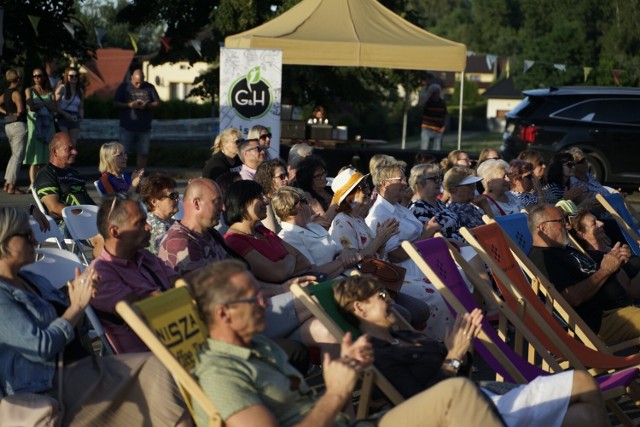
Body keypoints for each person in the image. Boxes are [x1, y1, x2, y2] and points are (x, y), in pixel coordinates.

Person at [188, 260, 508, 427]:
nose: (265, 304)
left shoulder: (262, 348)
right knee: (459, 394)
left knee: (462, 396)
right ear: (223, 314)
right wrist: (337, 393)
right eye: (254, 299)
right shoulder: (220, 373)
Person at [334, 275, 610, 427]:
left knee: (585, 415)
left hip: (485, 395)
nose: (390, 301)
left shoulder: (404, 335)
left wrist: (462, 350)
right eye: (381, 296)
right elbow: (420, 402)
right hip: (470, 414)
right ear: (359, 308)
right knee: (582, 384)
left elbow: (459, 376)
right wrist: (453, 356)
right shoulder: (377, 355)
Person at [0, 207, 189, 426]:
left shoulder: (30, 279)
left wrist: (78, 296)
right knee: (157, 374)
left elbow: (73, 327)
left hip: (74, 368)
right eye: (26, 235)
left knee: (159, 370)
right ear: (4, 241)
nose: (34, 240)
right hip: (44, 385)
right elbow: (40, 347)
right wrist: (76, 307)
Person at [365, 158, 451, 340]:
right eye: (400, 179)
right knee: (441, 294)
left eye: (404, 178)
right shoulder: (380, 214)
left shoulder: (399, 208)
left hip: (422, 262)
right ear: (385, 183)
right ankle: (437, 349)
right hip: (403, 272)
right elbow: (395, 255)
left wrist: (428, 232)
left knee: (459, 281)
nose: (405, 183)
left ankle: (463, 342)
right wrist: (426, 234)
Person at [528, 204, 640, 343]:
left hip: (624, 308)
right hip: (603, 319)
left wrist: (616, 262)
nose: (568, 226)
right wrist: (606, 269)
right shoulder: (542, 258)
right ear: (544, 228)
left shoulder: (565, 250)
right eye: (562, 222)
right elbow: (572, 297)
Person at [89, 195, 180, 353]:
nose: (149, 227)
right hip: (151, 357)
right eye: (140, 223)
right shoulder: (101, 273)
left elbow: (178, 282)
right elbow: (144, 313)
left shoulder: (145, 256)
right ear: (115, 232)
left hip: (178, 338)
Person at [223, 180, 315, 284]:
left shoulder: (263, 231)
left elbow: (304, 262)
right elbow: (277, 274)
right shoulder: (234, 241)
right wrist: (291, 257)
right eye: (259, 198)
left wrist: (284, 270)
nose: (266, 202)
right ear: (242, 203)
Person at [33, 132, 103, 256]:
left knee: (128, 232)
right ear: (55, 151)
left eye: (74, 148)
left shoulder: (73, 173)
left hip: (90, 219)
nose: (75, 152)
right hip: (66, 224)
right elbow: (54, 207)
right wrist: (86, 217)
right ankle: (100, 273)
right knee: (105, 240)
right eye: (69, 149)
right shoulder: (46, 174)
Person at [273, 186, 361, 279]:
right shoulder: (287, 237)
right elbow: (313, 274)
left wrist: (346, 253)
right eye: (307, 202)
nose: (310, 206)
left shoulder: (315, 226)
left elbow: (338, 250)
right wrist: (343, 262)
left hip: (348, 276)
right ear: (299, 206)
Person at [158, 178, 231, 275]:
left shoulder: (209, 233)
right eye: (217, 202)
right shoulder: (180, 242)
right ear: (197, 203)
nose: (223, 208)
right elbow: (208, 287)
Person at [569, 210, 640, 282]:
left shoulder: (611, 245)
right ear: (581, 235)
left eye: (598, 220)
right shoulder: (597, 261)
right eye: (594, 223)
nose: (601, 223)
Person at [113, 67, 160, 169]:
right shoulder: (124, 87)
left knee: (143, 152)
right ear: (132, 78)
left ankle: (140, 175)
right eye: (136, 83)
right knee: (122, 153)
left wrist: (147, 105)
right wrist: (129, 105)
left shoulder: (149, 87)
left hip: (144, 127)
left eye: (141, 82)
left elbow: (157, 103)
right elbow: (115, 103)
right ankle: (119, 175)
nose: (139, 85)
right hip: (127, 127)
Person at [408, 163, 464, 244]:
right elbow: (432, 240)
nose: (439, 182)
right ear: (420, 183)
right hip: (450, 251)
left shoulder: (437, 202)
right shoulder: (417, 208)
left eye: (439, 178)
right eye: (435, 179)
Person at [25, 67, 57, 186]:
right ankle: (33, 184)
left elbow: (55, 108)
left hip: (48, 125)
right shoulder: (29, 90)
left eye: (39, 76)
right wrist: (43, 105)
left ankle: (43, 182)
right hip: (35, 125)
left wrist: (43, 104)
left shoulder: (50, 92)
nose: (37, 78)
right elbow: (30, 107)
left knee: (47, 156)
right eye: (34, 76)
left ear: (44, 77)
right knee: (35, 156)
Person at [0, 69, 27, 194]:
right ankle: (12, 186)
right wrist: (16, 113)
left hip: (8, 126)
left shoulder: (5, 93)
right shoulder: (16, 93)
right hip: (18, 126)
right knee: (18, 157)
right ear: (18, 79)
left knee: (13, 156)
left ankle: (7, 183)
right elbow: (20, 110)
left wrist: (7, 113)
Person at [139, 173, 179, 254]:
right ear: (154, 202)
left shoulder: (166, 221)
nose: (177, 199)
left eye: (177, 195)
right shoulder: (159, 228)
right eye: (173, 196)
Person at [295, 155, 337, 226]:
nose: (323, 177)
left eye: (323, 173)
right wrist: (337, 199)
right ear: (308, 179)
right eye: (318, 176)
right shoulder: (308, 196)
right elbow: (325, 221)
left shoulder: (331, 189)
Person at [254, 159, 290, 233]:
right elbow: (271, 234)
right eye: (282, 176)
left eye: (286, 175)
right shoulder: (265, 203)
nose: (286, 179)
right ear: (269, 179)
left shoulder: (287, 197)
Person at [54, 66, 84, 145]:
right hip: (63, 115)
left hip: (74, 116)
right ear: (66, 77)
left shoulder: (80, 91)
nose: (74, 78)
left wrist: (81, 114)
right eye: (71, 76)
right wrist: (65, 114)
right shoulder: (62, 88)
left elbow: (81, 107)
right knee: (65, 142)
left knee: (73, 143)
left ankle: (72, 157)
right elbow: (54, 104)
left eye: (76, 76)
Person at [418, 83, 448, 151]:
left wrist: (444, 126)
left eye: (437, 93)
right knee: (424, 147)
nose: (436, 94)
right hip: (427, 128)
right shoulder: (427, 102)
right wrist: (428, 95)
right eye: (434, 93)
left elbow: (445, 115)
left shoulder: (441, 103)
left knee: (437, 148)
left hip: (438, 129)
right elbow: (420, 105)